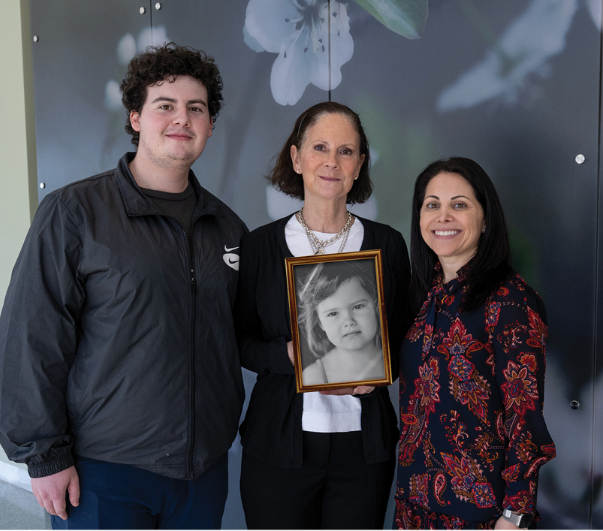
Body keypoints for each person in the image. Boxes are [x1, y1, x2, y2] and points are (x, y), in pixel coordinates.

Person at [0, 43, 248, 529]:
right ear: (135, 118)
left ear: (210, 125)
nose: (182, 119)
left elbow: (240, 335)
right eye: (164, 106)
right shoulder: (74, 213)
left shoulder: (227, 228)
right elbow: (32, 336)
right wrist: (44, 456)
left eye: (196, 109)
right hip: (103, 472)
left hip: (203, 471)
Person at [235, 101, 411, 529]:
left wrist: (382, 373)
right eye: (320, 147)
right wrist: (288, 356)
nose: (332, 162)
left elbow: (409, 338)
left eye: (346, 151)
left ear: (359, 165)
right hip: (278, 447)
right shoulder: (259, 246)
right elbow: (240, 340)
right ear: (296, 158)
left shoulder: (387, 245)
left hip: (363, 450)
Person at [395, 158, 556, 529]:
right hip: (413, 508)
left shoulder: (511, 301)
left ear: (485, 220)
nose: (443, 216)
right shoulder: (422, 298)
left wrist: (514, 515)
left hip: (481, 517)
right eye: (432, 205)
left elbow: (525, 419)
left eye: (460, 205)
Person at [297, 260, 386, 386]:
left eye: (358, 306)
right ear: (320, 322)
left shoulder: (395, 361)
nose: (349, 321)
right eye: (333, 313)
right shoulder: (313, 376)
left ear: (376, 306)